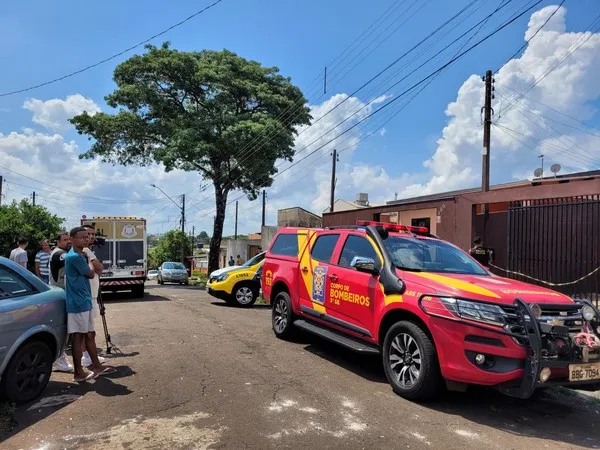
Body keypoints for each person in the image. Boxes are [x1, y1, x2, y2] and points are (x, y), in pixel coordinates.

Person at [65, 227, 114, 381]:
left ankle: (96, 366)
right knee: (78, 338)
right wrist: (89, 259)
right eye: (81, 237)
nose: (85, 239)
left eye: (87, 237)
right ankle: (78, 372)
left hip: (84, 301)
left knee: (89, 334)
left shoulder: (81, 255)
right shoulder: (75, 257)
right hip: (78, 303)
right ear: (71, 239)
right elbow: (92, 273)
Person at [81, 224, 106, 368]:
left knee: (89, 329)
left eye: (93, 234)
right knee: (87, 331)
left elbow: (99, 270)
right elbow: (99, 268)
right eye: (88, 234)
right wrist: (97, 266)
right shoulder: (85, 251)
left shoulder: (89, 251)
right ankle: (87, 358)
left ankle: (88, 356)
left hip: (91, 295)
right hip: (87, 296)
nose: (91, 237)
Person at [50, 231, 74, 373]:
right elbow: (72, 259)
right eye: (65, 240)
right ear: (58, 241)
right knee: (63, 327)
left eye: (68, 239)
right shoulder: (60, 253)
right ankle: (59, 359)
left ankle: (60, 357)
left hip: (63, 293)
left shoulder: (61, 252)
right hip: (60, 294)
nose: (67, 242)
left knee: (67, 327)